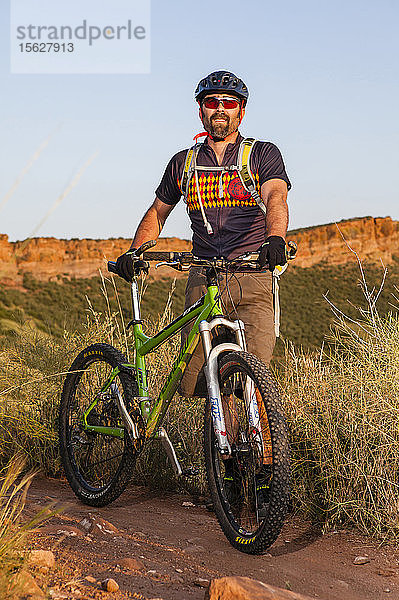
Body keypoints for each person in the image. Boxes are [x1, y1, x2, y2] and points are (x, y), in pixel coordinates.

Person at [115, 70, 291, 512]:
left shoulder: (261, 154)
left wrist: (274, 239)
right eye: (212, 102)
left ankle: (260, 476)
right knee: (199, 381)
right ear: (200, 109)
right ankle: (224, 464)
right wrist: (136, 252)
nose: (220, 109)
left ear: (241, 111)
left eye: (229, 103)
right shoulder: (184, 162)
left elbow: (275, 197)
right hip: (203, 274)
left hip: (251, 273)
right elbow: (159, 211)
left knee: (252, 381)